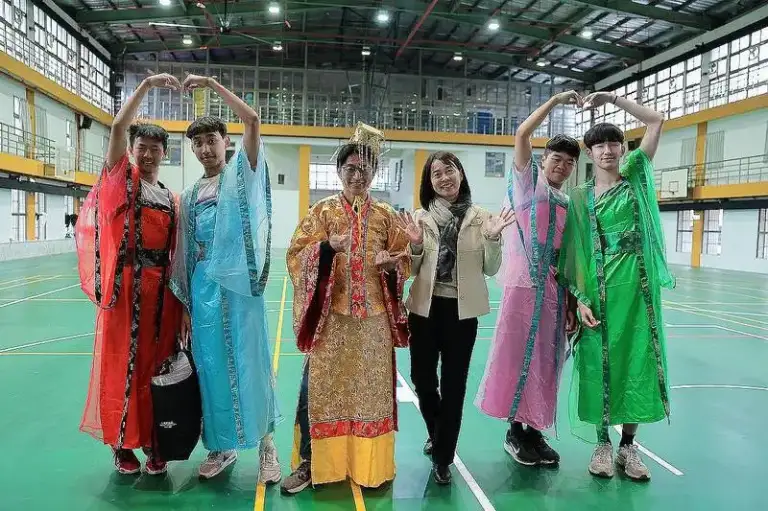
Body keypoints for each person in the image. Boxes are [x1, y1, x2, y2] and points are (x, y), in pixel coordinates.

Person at [281, 123, 410, 494]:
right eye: (350, 168)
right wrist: (325, 250)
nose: (357, 174)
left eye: (364, 168)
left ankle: (370, 466)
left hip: (373, 324)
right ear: (339, 171)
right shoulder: (321, 213)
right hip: (331, 321)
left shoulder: (386, 215)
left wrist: (392, 263)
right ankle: (311, 462)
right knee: (317, 391)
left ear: (374, 172)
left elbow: (405, 261)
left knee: (370, 394)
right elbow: (294, 256)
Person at [169, 75, 281, 482]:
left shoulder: (241, 173)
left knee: (252, 363)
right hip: (204, 292)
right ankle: (222, 447)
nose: (204, 149)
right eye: (197, 143)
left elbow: (252, 120)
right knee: (212, 367)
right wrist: (185, 306)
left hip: (240, 289)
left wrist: (212, 84)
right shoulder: (190, 194)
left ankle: (268, 447)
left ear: (224, 140)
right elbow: (183, 255)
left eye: (211, 140)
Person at [557, 91, 674, 481]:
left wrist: (611, 97)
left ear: (623, 148)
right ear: (589, 153)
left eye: (613, 143)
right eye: (598, 144)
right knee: (599, 364)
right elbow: (574, 253)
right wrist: (579, 299)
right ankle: (602, 443)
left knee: (636, 363)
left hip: (639, 293)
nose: (607, 150)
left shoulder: (637, 176)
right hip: (599, 295)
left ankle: (628, 447)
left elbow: (656, 121)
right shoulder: (580, 197)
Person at [75, 73, 184, 476]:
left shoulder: (172, 198)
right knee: (124, 365)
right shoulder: (123, 182)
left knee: (157, 368)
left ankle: (156, 444)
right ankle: (122, 446)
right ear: (133, 151)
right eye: (143, 147)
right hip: (126, 294)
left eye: (156, 148)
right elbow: (118, 126)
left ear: (164, 153)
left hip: (163, 297)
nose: (149, 154)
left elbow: (177, 253)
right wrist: (149, 84)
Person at [475, 92, 581, 467]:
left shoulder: (570, 204)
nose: (562, 166)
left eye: (570, 162)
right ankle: (514, 432)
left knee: (548, 361)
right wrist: (554, 103)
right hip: (523, 287)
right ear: (543, 159)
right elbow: (521, 134)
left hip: (555, 290)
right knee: (518, 358)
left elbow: (570, 256)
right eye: (557, 158)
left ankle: (535, 431)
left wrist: (570, 301)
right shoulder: (527, 185)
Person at [399, 151, 513, 484]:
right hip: (424, 308)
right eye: (437, 174)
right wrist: (416, 246)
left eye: (450, 171)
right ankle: (438, 433)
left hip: (462, 313)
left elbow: (490, 269)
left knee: (454, 385)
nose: (445, 178)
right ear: (429, 183)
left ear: (461, 174)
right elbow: (413, 270)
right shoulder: (420, 218)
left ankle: (443, 456)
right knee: (422, 379)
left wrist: (493, 238)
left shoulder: (481, 218)